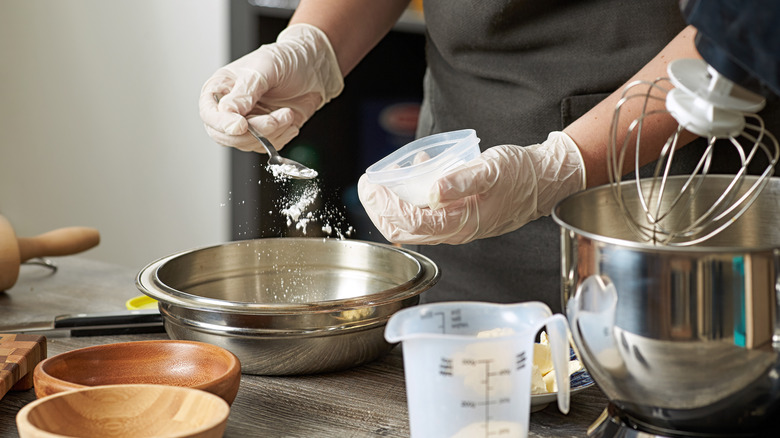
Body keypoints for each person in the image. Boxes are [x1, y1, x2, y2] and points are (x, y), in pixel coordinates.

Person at [199, 0, 779, 314]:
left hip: (685, 220)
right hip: (462, 226)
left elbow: (741, 28)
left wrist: (560, 166)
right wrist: (314, 44)